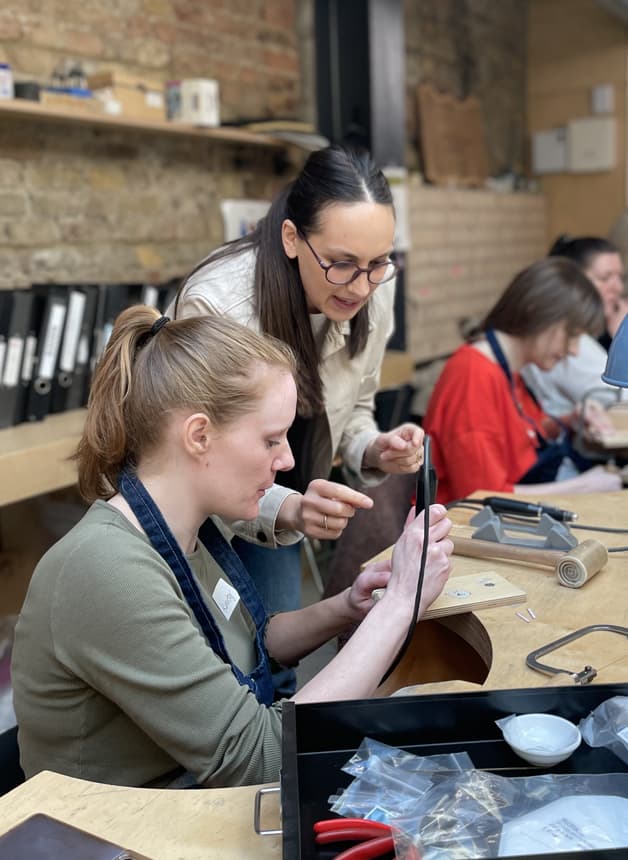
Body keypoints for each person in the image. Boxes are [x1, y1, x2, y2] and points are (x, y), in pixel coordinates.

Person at [11, 308, 453, 789]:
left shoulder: (190, 529)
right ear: (199, 436)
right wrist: (401, 604)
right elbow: (263, 758)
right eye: (271, 440)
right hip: (120, 824)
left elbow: (250, 641)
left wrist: (349, 607)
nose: (287, 460)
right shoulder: (108, 570)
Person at [171, 144, 424, 692]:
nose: (360, 286)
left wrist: (372, 446)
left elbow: (354, 406)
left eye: (378, 263)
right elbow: (195, 461)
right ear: (291, 238)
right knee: (226, 672)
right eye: (341, 263)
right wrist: (287, 505)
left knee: (276, 666)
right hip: (203, 506)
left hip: (282, 500)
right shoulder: (220, 309)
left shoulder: (373, 290)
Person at [422, 258, 624, 504]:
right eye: (571, 335)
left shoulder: (510, 371)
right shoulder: (473, 377)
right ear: (537, 314)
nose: (574, 351)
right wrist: (582, 486)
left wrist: (570, 420)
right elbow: (480, 495)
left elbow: (522, 437)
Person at [522, 236, 628, 418]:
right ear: (574, 284)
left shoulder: (589, 332)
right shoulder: (565, 339)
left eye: (621, 278)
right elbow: (622, 398)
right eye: (605, 278)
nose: (618, 288)